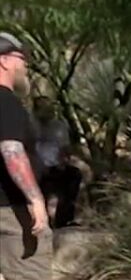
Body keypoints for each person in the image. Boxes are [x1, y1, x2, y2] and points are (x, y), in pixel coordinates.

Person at [0, 32, 101, 280]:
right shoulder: (6, 102)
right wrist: (35, 199)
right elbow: (11, 151)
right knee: (36, 276)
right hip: (11, 207)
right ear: (4, 61)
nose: (25, 66)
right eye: (21, 59)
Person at [32, 96, 83, 228]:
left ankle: (64, 219)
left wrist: (63, 162)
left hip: (55, 166)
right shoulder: (30, 126)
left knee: (75, 175)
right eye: (44, 109)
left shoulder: (59, 127)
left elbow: (65, 149)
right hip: (35, 168)